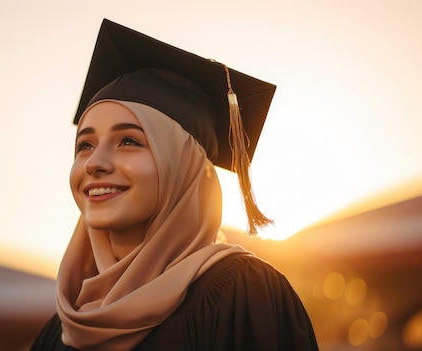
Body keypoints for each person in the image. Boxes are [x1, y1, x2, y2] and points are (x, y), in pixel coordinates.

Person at [30, 19, 319, 351]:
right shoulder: (62, 330)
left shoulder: (241, 296)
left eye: (128, 141)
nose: (94, 162)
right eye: (85, 145)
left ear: (186, 170)